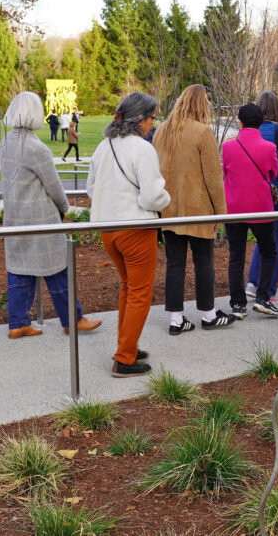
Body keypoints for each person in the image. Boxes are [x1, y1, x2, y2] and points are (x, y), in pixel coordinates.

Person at [1, 92, 102, 339]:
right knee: (57, 269)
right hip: (40, 216)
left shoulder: (6, 142)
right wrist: (66, 209)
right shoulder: (36, 148)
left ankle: (18, 322)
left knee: (19, 269)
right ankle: (72, 320)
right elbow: (54, 186)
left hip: (15, 214)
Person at [87, 92, 170, 378]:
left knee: (127, 287)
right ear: (140, 120)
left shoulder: (103, 146)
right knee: (139, 293)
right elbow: (151, 198)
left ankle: (128, 346)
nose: (153, 124)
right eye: (152, 118)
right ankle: (124, 358)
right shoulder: (142, 149)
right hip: (136, 229)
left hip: (107, 230)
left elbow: (90, 189)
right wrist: (166, 197)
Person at [153, 84, 235, 334]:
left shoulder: (161, 132)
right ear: (201, 104)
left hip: (168, 208)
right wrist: (220, 212)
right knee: (204, 262)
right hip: (198, 209)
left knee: (174, 263)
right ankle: (209, 314)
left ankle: (176, 319)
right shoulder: (202, 132)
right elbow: (213, 177)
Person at [222, 103, 278, 319]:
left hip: (235, 208)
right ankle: (264, 297)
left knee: (236, 255)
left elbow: (225, 171)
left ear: (240, 121)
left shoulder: (228, 147)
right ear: (261, 122)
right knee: (268, 251)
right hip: (261, 207)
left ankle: (238, 304)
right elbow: (273, 173)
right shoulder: (269, 148)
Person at [245, 91, 278, 305]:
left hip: (256, 193)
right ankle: (270, 289)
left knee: (263, 239)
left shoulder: (250, 132)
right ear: (276, 108)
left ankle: (253, 282)